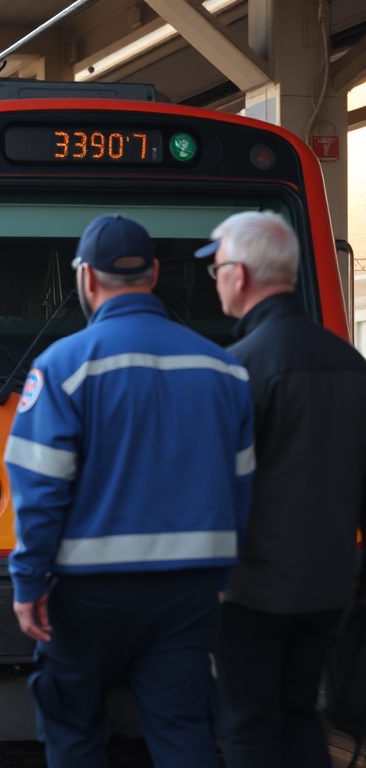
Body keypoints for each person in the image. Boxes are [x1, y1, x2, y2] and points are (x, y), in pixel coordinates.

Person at [5, 213, 255, 768]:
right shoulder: (224, 371)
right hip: (189, 594)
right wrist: (219, 576)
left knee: (73, 732)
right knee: (185, 734)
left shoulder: (62, 368)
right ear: (155, 273)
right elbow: (240, 487)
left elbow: (40, 491)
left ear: (86, 279)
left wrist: (28, 584)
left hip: (88, 594)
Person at [197, 210, 366, 768]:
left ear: (240, 274)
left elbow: (218, 489)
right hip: (328, 589)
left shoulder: (236, 369)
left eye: (217, 267)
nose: (216, 278)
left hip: (250, 593)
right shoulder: (352, 365)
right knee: (300, 715)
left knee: (248, 728)